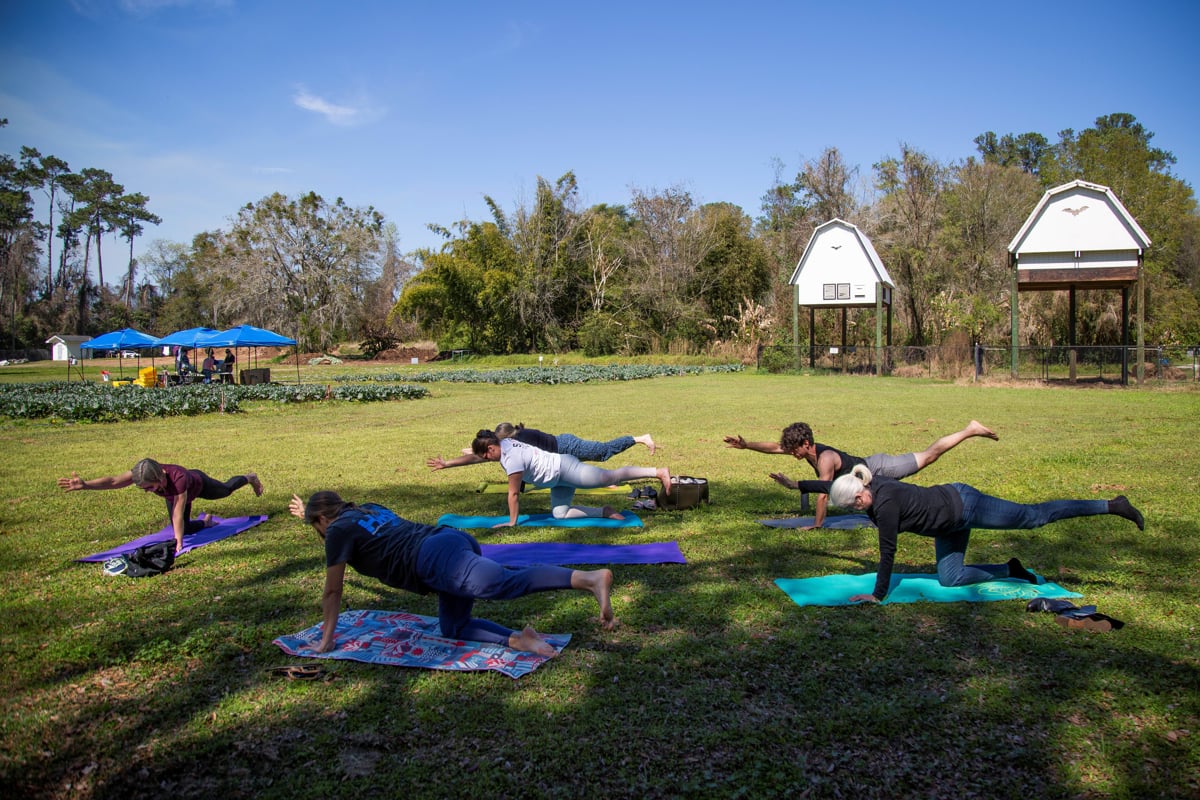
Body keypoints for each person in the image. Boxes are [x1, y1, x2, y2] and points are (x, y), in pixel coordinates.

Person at [289, 491, 616, 656]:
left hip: (435, 559)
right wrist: (309, 510)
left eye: (315, 526)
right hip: (446, 540)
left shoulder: (336, 531)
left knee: (503, 582)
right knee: (453, 626)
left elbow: (333, 591)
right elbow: (349, 526)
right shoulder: (366, 508)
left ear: (321, 521)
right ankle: (520, 639)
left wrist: (326, 639)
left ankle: (590, 579)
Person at [800, 464, 1145, 604]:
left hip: (964, 504)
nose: (858, 508)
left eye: (856, 504)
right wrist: (798, 484)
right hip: (947, 525)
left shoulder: (885, 504)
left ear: (860, 494)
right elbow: (831, 484)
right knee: (950, 579)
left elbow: (886, 554)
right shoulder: (867, 482)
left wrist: (877, 595)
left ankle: (1111, 505)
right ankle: (1011, 570)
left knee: (1032, 517)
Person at [724, 420, 998, 528]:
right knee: (927, 457)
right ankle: (969, 430)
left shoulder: (825, 459)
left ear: (806, 444)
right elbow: (774, 447)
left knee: (928, 457)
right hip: (866, 476)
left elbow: (823, 494)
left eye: (793, 448)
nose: (789, 452)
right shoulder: (804, 451)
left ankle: (969, 430)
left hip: (877, 469)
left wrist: (817, 525)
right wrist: (747, 445)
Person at [467, 430, 672, 525]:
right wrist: (449, 463)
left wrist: (512, 522)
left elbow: (513, 494)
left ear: (492, 446)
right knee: (560, 515)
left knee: (609, 477)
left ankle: (657, 472)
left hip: (565, 469)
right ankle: (604, 511)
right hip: (556, 480)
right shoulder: (505, 442)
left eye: (486, 454)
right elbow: (475, 455)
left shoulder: (511, 459)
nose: (486, 459)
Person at [57, 458, 264, 551]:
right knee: (186, 527)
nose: (148, 491)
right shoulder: (142, 472)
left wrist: (178, 544)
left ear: (161, 478)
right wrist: (85, 485)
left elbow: (177, 510)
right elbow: (112, 481)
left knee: (226, 490)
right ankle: (207, 523)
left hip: (198, 484)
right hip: (176, 498)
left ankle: (250, 477)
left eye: (149, 487)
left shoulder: (178, 479)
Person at [428, 422, 656, 472]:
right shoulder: (511, 441)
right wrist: (448, 463)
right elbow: (480, 457)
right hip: (559, 460)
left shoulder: (519, 441)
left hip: (567, 447)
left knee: (603, 453)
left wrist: (474, 454)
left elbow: (479, 458)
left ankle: (639, 437)